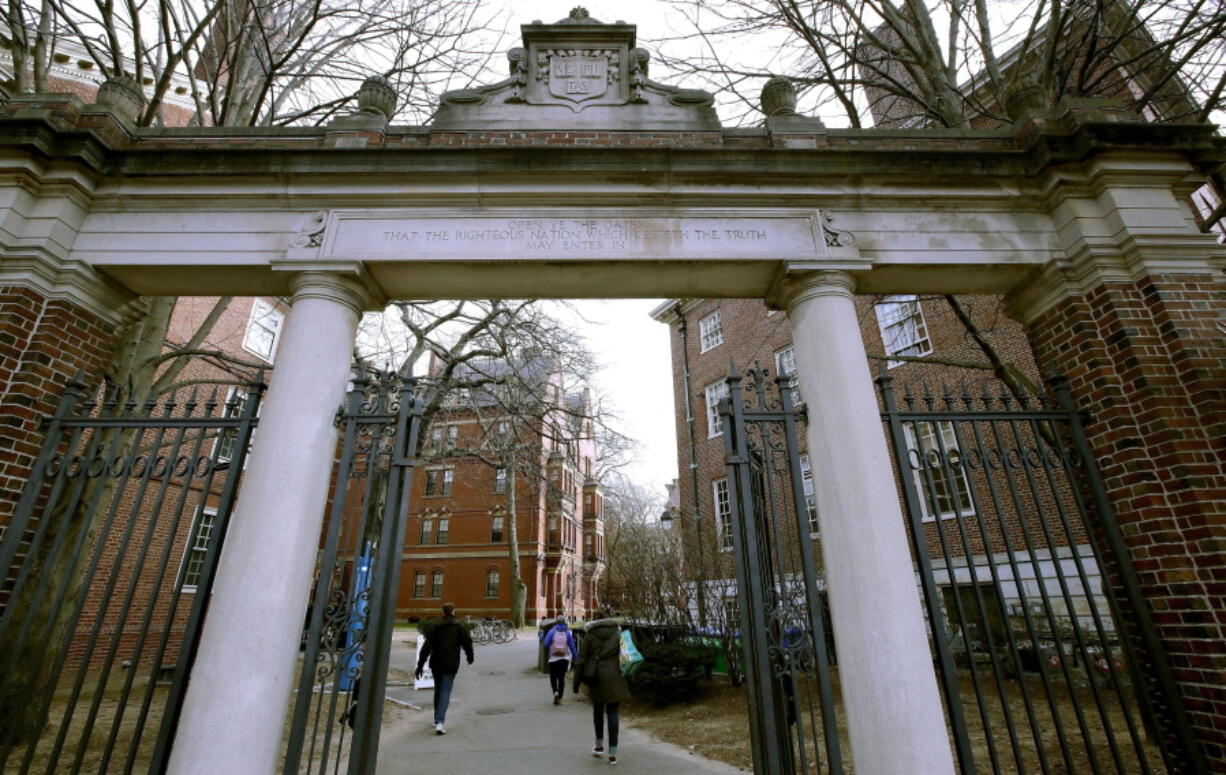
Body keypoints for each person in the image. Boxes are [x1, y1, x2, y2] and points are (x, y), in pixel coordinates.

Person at [572, 610, 630, 766]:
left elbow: (581, 660)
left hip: (596, 677)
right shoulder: (618, 634)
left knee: (598, 710)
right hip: (616, 676)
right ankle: (613, 754)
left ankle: (599, 745)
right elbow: (626, 655)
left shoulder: (590, 636)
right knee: (613, 712)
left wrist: (576, 684)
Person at [414, 602, 474, 735]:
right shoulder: (459, 627)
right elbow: (467, 642)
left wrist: (419, 666)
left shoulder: (436, 628)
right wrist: (470, 657)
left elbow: (426, 648)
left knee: (439, 690)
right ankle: (440, 722)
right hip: (451, 663)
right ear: (453, 611)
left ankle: (437, 719)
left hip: (436, 663)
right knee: (445, 691)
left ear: (443, 612)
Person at [539, 614, 578, 704]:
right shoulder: (567, 633)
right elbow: (572, 646)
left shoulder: (552, 632)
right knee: (561, 678)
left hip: (553, 658)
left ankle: (555, 692)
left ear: (556, 622)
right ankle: (560, 698)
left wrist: (541, 637)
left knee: (553, 677)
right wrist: (575, 657)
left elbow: (546, 644)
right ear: (565, 622)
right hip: (564, 658)